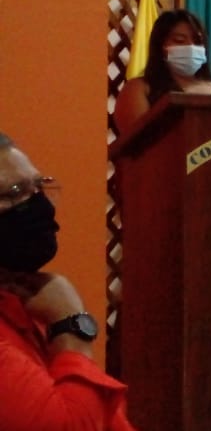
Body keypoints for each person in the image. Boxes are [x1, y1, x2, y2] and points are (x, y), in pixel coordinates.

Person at [0, 132, 137, 429]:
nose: (41, 207)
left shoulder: (24, 299)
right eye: (14, 193)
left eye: (39, 187)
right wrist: (71, 324)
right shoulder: (50, 309)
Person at [115, 10, 211, 134]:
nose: (191, 46)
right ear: (161, 46)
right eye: (179, 40)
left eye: (198, 42)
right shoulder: (139, 89)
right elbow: (137, 141)